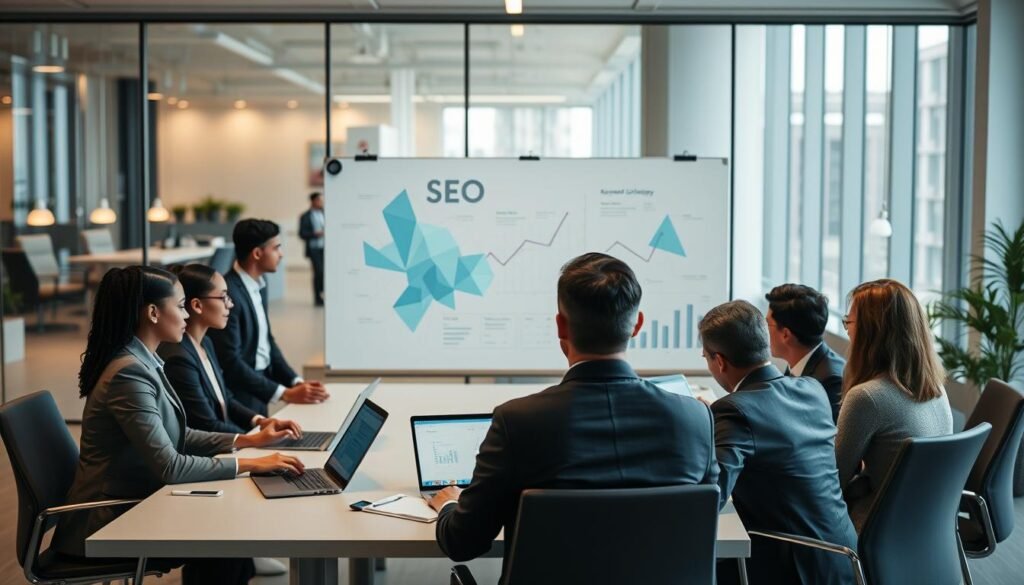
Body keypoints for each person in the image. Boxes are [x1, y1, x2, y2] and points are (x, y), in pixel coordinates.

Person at [428, 253, 719, 583]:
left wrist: (449, 505)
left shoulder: (518, 421)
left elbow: (463, 542)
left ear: (560, 325)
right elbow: (709, 509)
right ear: (637, 324)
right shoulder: (696, 418)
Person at [51, 266, 305, 585]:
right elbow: (170, 467)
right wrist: (251, 463)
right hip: (110, 519)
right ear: (154, 313)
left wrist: (246, 443)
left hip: (134, 500)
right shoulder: (128, 374)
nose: (187, 315)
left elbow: (177, 435)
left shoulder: (143, 361)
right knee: (226, 531)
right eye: (181, 305)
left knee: (230, 523)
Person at [700, 300, 856, 585]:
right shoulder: (812, 389)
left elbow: (712, 495)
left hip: (792, 567)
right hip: (843, 559)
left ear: (719, 361)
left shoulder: (734, 410)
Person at [835, 279, 953, 532]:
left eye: (849, 322)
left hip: (875, 526)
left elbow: (833, 480)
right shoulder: (936, 388)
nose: (847, 331)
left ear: (870, 331)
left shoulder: (867, 397)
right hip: (928, 526)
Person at [208, 219, 329, 416]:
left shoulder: (260, 285)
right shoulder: (229, 294)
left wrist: (296, 382)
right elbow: (231, 362)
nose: (281, 254)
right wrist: (285, 394)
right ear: (257, 253)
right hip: (240, 396)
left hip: (260, 387)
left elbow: (266, 341)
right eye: (276, 248)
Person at [765, 283, 846, 423]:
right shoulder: (798, 361)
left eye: (767, 324)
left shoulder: (831, 381)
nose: (765, 331)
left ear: (786, 335)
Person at [298, 191, 326, 306]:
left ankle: (325, 293)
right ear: (313, 201)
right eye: (319, 200)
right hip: (314, 249)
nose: (321, 202)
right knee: (318, 272)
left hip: (326, 248)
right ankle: (317, 297)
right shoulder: (305, 216)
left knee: (326, 273)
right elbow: (302, 234)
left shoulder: (325, 213)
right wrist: (315, 234)